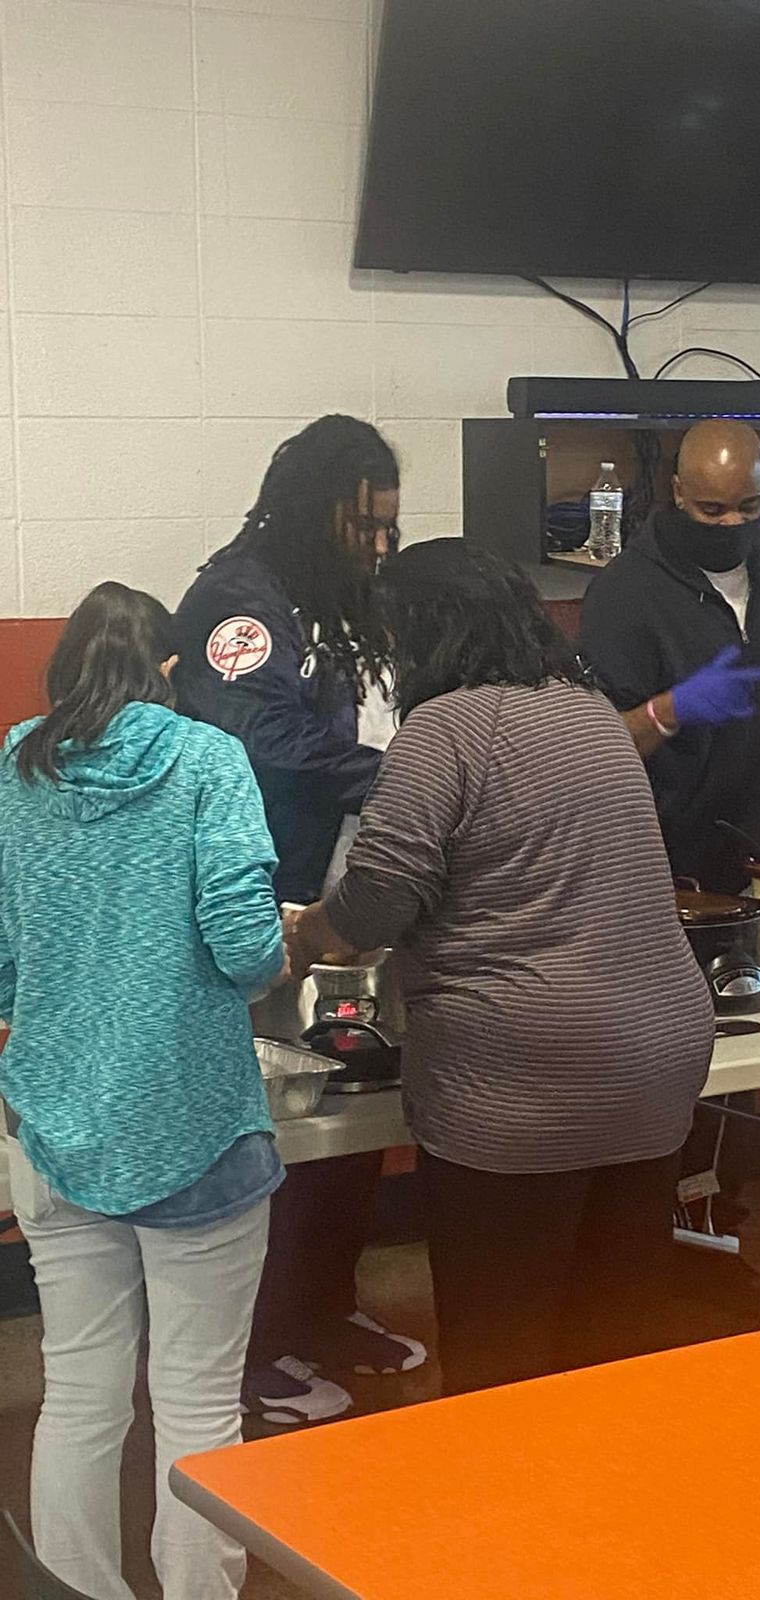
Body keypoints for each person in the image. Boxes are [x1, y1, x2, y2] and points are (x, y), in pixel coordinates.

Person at [286, 541, 714, 1396]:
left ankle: (509, 1478)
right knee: (615, 1342)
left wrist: (306, 934)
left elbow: (378, 900)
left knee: (503, 1356)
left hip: (523, 1080)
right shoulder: (592, 714)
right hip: (656, 1063)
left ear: (423, 631)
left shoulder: (444, 728)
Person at [0, 584, 286, 1600]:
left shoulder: (19, 765)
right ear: (169, 669)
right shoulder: (208, 759)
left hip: (51, 1123)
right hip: (191, 1124)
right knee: (198, 1402)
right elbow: (247, 947)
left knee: (78, 1392)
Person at [174, 416, 426, 1427]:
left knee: (354, 1109)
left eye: (390, 528)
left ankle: (323, 1309)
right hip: (265, 903)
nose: (380, 545)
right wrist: (405, 778)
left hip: (356, 893)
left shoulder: (352, 592)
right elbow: (261, 737)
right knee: (278, 1127)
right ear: (316, 509)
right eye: (365, 526)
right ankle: (258, 1343)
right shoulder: (238, 600)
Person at [580, 418, 760, 892]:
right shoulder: (624, 592)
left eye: (749, 506)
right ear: (679, 492)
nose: (732, 523)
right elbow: (592, 751)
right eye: (713, 510)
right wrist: (669, 711)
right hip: (659, 864)